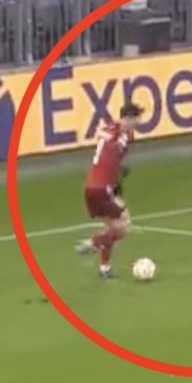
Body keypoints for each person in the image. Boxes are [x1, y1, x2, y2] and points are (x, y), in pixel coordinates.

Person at [76, 103, 144, 279]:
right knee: (123, 226)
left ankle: (104, 268)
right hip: (102, 189)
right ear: (129, 118)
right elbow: (111, 152)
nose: (139, 121)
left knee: (112, 227)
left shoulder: (111, 130)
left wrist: (118, 171)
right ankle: (93, 242)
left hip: (91, 187)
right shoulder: (121, 135)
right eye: (137, 118)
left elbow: (105, 150)